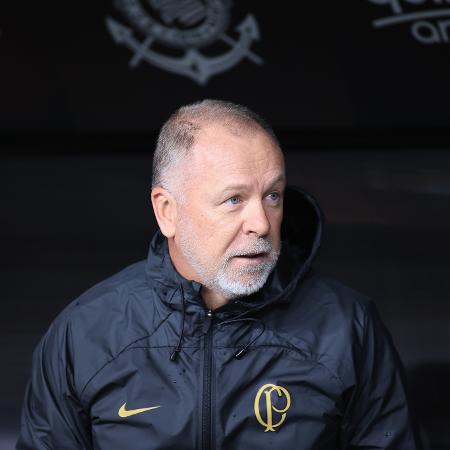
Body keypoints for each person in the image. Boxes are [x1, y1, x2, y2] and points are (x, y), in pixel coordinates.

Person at [17, 99, 423, 449]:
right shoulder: (84, 334)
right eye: (234, 199)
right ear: (167, 211)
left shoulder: (348, 326)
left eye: (273, 195)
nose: (261, 224)